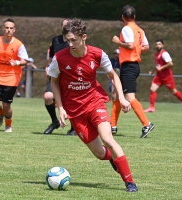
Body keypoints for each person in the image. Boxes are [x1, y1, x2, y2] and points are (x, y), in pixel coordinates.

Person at [48, 18, 138, 192]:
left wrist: (122, 97)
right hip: (75, 111)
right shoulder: (59, 58)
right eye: (68, 40)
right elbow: (54, 82)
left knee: (107, 138)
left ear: (84, 37)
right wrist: (61, 108)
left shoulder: (97, 54)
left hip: (94, 101)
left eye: (74, 39)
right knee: (99, 153)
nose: (70, 44)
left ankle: (130, 182)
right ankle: (114, 158)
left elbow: (113, 76)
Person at [111, 5, 154, 138]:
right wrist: (136, 48)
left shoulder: (126, 28)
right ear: (134, 17)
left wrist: (118, 42)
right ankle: (112, 125)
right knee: (116, 94)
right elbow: (146, 47)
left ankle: (146, 124)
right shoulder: (139, 30)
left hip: (129, 65)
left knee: (130, 97)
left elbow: (130, 45)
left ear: (122, 17)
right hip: (132, 65)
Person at [0, 18, 29, 132]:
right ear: (3, 28)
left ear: (14, 30)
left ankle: (8, 125)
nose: (8, 30)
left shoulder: (18, 44)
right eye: (6, 28)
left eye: (11, 28)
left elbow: (25, 61)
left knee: (6, 105)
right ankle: (1, 114)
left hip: (12, 77)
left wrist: (16, 62)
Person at [43, 18, 76, 136]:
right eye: (64, 25)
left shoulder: (74, 41)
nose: (66, 27)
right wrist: (48, 67)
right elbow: (51, 57)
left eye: (69, 25)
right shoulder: (55, 40)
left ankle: (74, 128)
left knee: (71, 101)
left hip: (70, 76)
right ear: (61, 27)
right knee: (48, 96)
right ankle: (54, 122)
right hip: (56, 75)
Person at [144, 39, 182, 113]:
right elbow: (157, 65)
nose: (158, 46)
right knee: (152, 89)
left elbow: (170, 63)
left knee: (173, 91)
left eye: (159, 44)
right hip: (159, 76)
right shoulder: (156, 54)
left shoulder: (165, 54)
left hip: (166, 76)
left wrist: (161, 68)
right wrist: (152, 70)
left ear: (162, 45)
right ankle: (151, 107)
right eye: (157, 44)